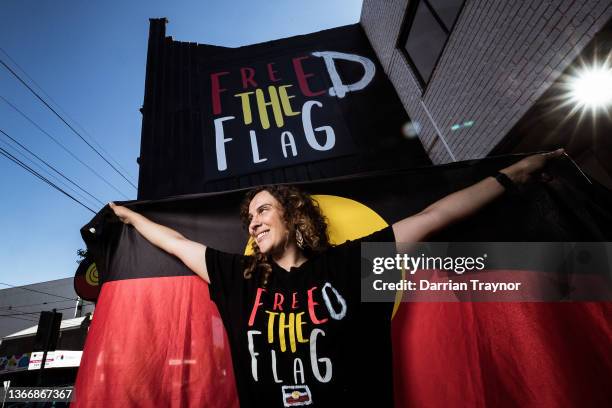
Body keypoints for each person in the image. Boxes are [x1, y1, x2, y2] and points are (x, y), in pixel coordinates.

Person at [109, 149, 565, 407]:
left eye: (263, 209)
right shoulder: (237, 277)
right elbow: (172, 242)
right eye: (249, 216)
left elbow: (436, 216)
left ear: (292, 214)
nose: (253, 222)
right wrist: (130, 217)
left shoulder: (352, 266)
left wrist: (518, 172)